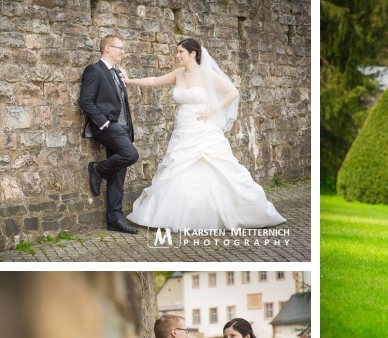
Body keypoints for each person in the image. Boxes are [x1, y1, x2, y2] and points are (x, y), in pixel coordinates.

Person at [119, 38, 286, 230]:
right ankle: (178, 215)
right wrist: (129, 80)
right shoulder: (178, 74)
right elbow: (155, 81)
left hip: (204, 129)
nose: (177, 55)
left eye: (180, 52)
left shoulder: (208, 74)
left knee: (218, 168)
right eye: (177, 51)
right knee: (178, 169)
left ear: (193, 54)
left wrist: (213, 109)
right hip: (183, 130)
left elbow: (233, 92)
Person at [78, 35, 139, 234]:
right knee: (131, 155)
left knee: (119, 174)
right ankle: (97, 169)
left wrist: (129, 134)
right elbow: (85, 101)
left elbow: (123, 105)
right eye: (119, 48)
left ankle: (115, 219)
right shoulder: (94, 70)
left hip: (121, 128)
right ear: (106, 48)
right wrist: (103, 123)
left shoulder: (117, 73)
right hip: (107, 125)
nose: (123, 51)